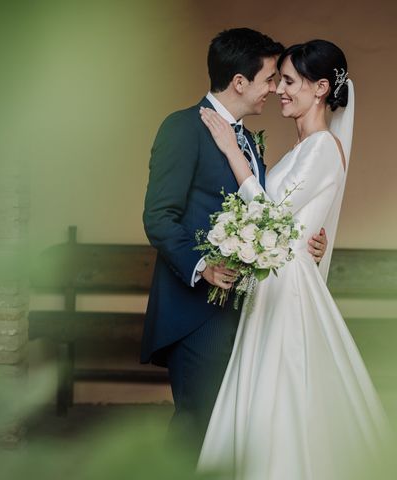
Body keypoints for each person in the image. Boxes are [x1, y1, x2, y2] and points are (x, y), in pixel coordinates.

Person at [198, 39, 391, 479]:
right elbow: (289, 221)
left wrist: (231, 150)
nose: (280, 90)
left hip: (289, 291)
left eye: (288, 81)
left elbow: (270, 217)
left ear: (321, 87)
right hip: (269, 286)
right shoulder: (298, 151)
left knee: (284, 391)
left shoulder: (322, 147)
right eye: (278, 80)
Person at [140, 28, 328, 450]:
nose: (275, 89)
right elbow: (159, 216)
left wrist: (302, 242)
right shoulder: (183, 128)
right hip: (196, 315)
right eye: (269, 79)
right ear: (240, 82)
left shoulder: (245, 140)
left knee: (229, 433)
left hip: (242, 310)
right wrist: (202, 266)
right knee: (198, 428)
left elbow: (263, 214)